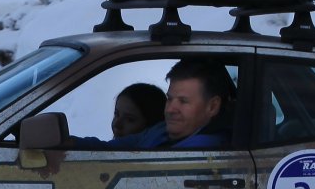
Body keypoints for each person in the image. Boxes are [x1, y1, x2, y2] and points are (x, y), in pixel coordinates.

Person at [73, 59, 235, 150]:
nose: (170, 109)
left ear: (212, 107)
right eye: (170, 99)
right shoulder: (161, 130)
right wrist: (68, 142)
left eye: (183, 101)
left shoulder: (206, 150)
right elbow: (109, 149)